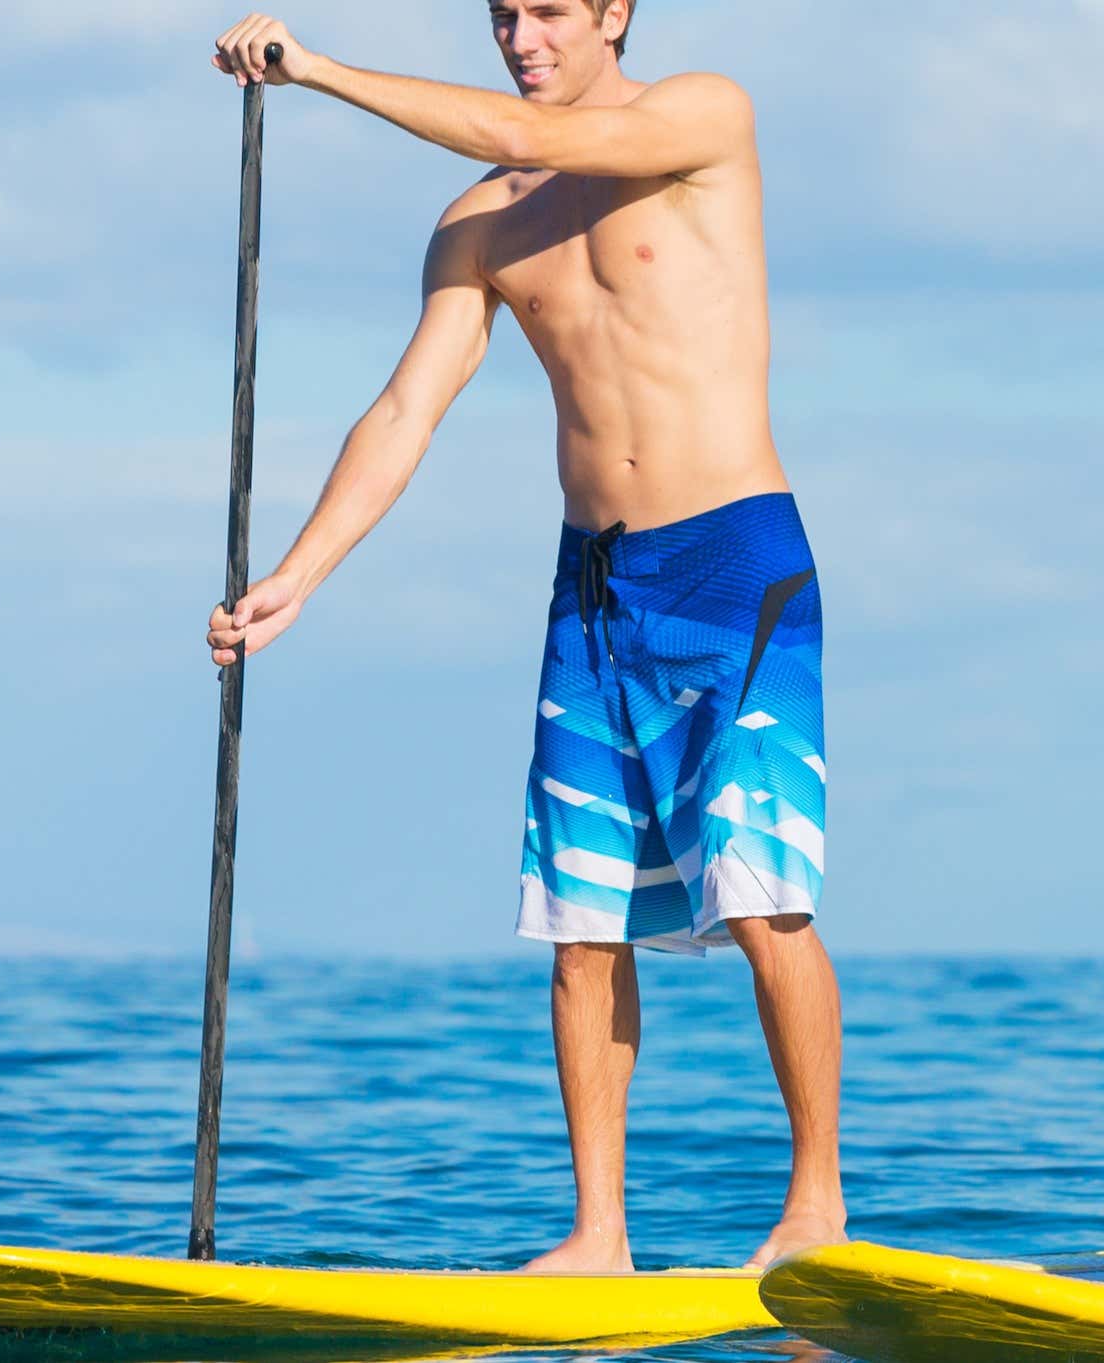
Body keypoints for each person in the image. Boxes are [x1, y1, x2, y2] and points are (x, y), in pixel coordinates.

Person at [201, 1, 844, 1272]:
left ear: (613, 11)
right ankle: (599, 1232)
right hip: (593, 588)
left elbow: (511, 122)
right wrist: (297, 575)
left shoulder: (700, 120)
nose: (520, 34)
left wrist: (316, 69)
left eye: (548, 9)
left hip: (733, 563)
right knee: (580, 919)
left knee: (763, 895)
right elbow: (404, 410)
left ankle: (814, 1208)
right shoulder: (482, 220)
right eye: (501, 14)